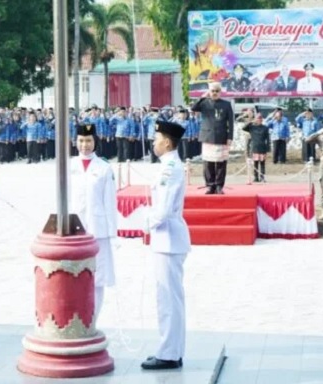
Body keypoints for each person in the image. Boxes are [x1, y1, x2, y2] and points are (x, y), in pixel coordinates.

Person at [141, 120, 191, 370]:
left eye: (157, 137)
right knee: (170, 298)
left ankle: (169, 354)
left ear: (167, 142)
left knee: (168, 299)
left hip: (168, 238)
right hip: (167, 239)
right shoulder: (167, 165)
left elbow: (163, 208)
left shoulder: (170, 168)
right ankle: (172, 350)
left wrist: (146, 223)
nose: (153, 141)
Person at [69, 123, 117, 322]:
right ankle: (77, 319)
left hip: (99, 230)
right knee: (75, 275)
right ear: (75, 141)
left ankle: (92, 321)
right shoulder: (69, 166)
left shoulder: (104, 168)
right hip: (74, 228)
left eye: (88, 141)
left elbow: (110, 202)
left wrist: (112, 233)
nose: (85, 145)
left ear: (95, 141)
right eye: (81, 140)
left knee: (98, 277)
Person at [191, 82, 234, 194]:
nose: (214, 93)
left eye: (217, 91)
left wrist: (230, 137)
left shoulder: (226, 104)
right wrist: (202, 97)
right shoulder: (204, 103)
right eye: (212, 91)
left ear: (220, 92)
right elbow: (193, 108)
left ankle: (219, 186)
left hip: (221, 136)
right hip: (207, 136)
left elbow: (231, 122)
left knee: (221, 163)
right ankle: (210, 186)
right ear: (209, 91)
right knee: (208, 163)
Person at [243, 114, 271, 183]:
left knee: (262, 163)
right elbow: (244, 128)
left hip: (262, 147)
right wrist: (251, 121)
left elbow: (268, 139)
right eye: (258, 119)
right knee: (255, 164)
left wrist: (268, 148)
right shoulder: (252, 127)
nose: (259, 120)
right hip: (254, 147)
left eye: (260, 119)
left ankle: (262, 177)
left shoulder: (265, 128)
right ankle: (256, 177)